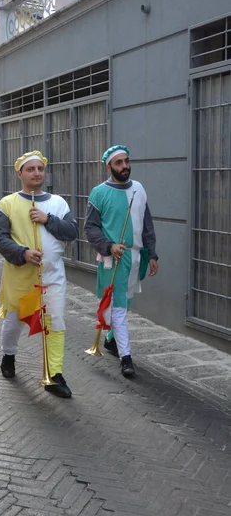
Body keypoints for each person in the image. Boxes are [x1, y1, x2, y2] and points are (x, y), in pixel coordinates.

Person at [0, 150, 79, 398]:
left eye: (40, 169)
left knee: (55, 322)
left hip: (53, 277)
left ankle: (54, 374)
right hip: (21, 276)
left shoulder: (58, 203)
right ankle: (8, 355)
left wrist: (47, 219)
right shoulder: (6, 204)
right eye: (31, 169)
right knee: (14, 322)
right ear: (20, 173)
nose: (37, 173)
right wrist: (22, 253)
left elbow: (71, 232)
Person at [84, 145, 159, 378]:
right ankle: (126, 357)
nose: (125, 166)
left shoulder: (139, 189)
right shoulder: (98, 193)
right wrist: (109, 246)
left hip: (136, 256)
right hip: (113, 258)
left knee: (125, 303)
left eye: (126, 161)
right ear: (109, 166)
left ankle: (110, 340)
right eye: (119, 163)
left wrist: (153, 253)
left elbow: (147, 224)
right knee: (117, 307)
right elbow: (90, 228)